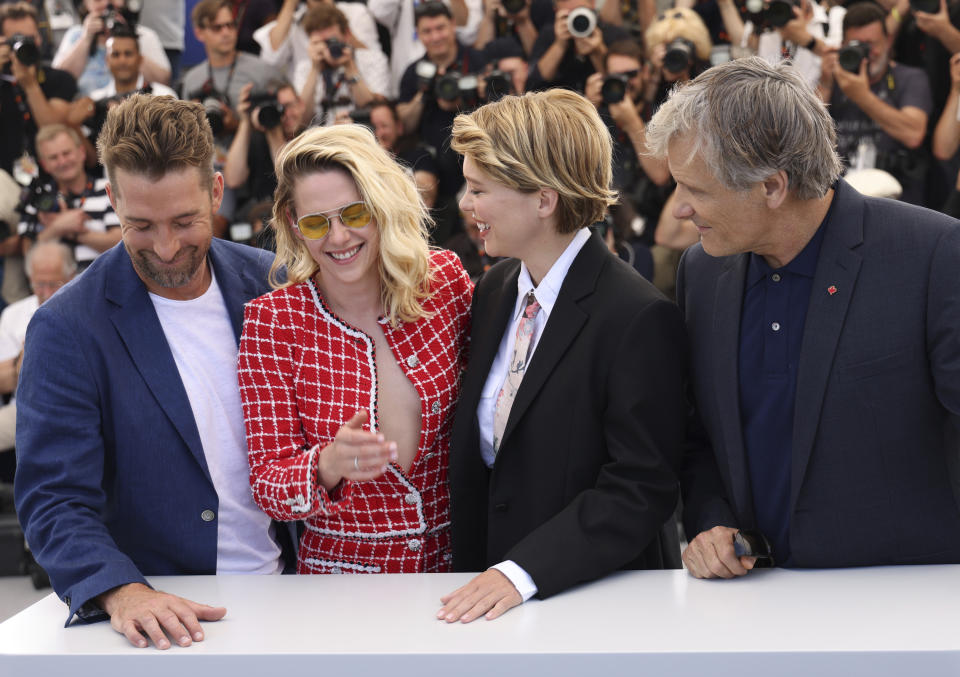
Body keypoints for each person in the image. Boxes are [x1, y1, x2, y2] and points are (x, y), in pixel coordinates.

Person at [644, 56, 960, 578]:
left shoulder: (933, 256)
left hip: (904, 608)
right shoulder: (702, 271)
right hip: (753, 605)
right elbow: (700, 434)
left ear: (772, 186)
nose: (679, 209)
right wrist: (711, 524)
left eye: (696, 190)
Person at [14, 94, 295, 649]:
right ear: (112, 198)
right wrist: (123, 591)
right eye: (140, 225)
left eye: (185, 221)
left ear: (216, 191)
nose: (166, 248)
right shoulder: (66, 327)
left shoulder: (274, 282)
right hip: (165, 623)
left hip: (298, 598)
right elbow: (54, 498)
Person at [440, 89, 686, 623]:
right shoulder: (495, 288)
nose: (465, 204)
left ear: (543, 199)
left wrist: (523, 571)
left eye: (479, 188)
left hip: (599, 608)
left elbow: (641, 487)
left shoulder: (637, 315)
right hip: (491, 605)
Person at [237, 124, 472, 576]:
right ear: (293, 224)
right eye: (315, 223)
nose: (339, 237)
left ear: (382, 206)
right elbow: (268, 483)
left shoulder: (443, 284)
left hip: (457, 568)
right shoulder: (274, 321)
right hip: (341, 586)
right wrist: (326, 464)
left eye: (355, 214)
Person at [818, 2, 932, 205]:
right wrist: (825, 85)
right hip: (840, 198)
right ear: (842, 45)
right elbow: (807, 137)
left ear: (888, 42)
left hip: (898, 200)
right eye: (856, 45)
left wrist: (861, 95)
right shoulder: (832, 80)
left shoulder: (910, 78)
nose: (865, 54)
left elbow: (913, 134)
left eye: (871, 44)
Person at [0, 241, 76, 450]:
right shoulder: (14, 314)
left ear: (72, 277)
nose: (48, 293)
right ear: (30, 279)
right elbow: (2, 381)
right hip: (26, 407)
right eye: (40, 285)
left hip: (74, 405)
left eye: (55, 284)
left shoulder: (86, 311)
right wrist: (25, 360)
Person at [18, 124, 120, 269]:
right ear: (44, 164)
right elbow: (28, 254)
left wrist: (71, 232)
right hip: (55, 289)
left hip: (105, 285)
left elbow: (121, 244)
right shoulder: (37, 198)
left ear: (82, 152)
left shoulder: (109, 188)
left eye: (66, 153)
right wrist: (58, 227)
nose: (62, 162)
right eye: (53, 157)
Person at [53, 0, 170, 95]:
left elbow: (163, 81)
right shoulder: (75, 35)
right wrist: (86, 39)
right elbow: (58, 83)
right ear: (85, 4)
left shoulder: (143, 35)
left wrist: (128, 37)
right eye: (98, 0)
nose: (106, 4)